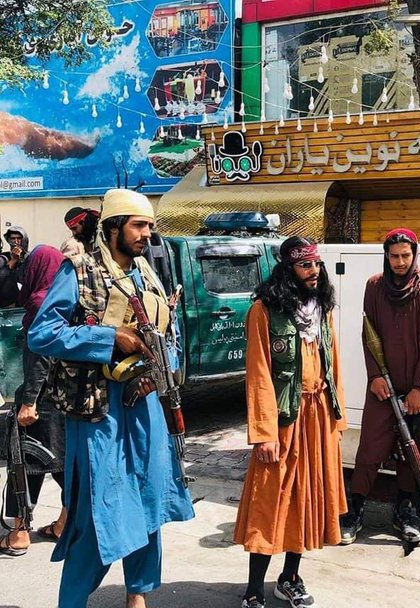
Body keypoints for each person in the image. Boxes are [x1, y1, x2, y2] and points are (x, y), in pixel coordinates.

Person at [27, 189, 194, 608]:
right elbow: (42, 334)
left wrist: (160, 372)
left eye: (150, 226)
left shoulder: (147, 273)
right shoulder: (79, 271)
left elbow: (168, 332)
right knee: (97, 514)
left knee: (150, 502)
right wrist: (109, 337)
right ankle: (72, 601)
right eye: (139, 225)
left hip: (146, 408)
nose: (147, 234)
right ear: (113, 227)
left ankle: (137, 596)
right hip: (98, 412)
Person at [233, 236, 347, 608]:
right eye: (305, 265)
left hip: (318, 418)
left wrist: (338, 419)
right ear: (287, 269)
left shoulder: (322, 308)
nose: (313, 271)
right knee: (270, 501)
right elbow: (258, 374)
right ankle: (254, 590)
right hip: (284, 420)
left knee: (308, 499)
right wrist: (264, 433)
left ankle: (290, 578)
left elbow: (334, 364)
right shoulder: (263, 310)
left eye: (316, 264)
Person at [340, 228, 420, 545]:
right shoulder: (374, 287)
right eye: (394, 256)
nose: (400, 262)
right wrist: (374, 376)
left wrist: (419, 389)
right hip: (382, 386)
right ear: (386, 256)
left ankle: (405, 512)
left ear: (414, 255)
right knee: (370, 447)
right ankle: (355, 510)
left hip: (417, 390)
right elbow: (368, 332)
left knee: (414, 451)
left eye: (405, 256)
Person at [1, 245, 67, 556]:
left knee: (24, 464)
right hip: (66, 398)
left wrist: (29, 401)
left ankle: (19, 533)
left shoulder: (42, 304)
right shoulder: (66, 300)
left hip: (41, 398)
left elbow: (40, 357)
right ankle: (64, 523)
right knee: (63, 464)